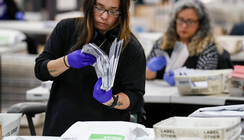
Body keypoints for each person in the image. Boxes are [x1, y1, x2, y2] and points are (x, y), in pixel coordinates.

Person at [34, 0, 146, 136]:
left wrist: (111, 100)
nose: (105, 16)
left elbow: (135, 97)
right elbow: (41, 71)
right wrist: (66, 61)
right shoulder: (67, 29)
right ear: (89, 6)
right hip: (62, 127)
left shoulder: (130, 47)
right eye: (99, 8)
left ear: (122, 13)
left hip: (105, 132)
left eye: (113, 11)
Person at [142, 0, 232, 127]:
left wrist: (183, 79)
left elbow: (203, 78)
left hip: (191, 100)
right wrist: (150, 67)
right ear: (174, 20)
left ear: (200, 24)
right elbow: (146, 75)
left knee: (179, 114)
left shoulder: (207, 45)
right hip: (162, 99)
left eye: (190, 21)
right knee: (146, 112)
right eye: (181, 20)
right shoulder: (163, 42)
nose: (184, 26)